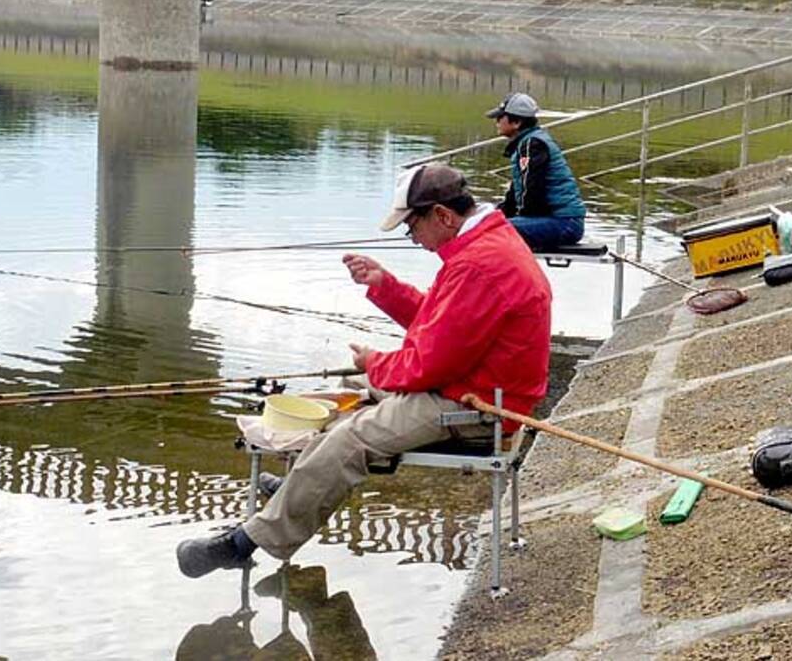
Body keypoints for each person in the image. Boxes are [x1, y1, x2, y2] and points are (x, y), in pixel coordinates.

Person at [176, 163, 552, 578]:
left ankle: (246, 542)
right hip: (471, 384)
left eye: (412, 227)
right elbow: (443, 324)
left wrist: (375, 362)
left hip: (477, 408)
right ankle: (299, 488)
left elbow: (427, 364)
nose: (414, 239)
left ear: (442, 215)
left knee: (350, 437)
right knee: (350, 389)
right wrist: (385, 286)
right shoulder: (484, 243)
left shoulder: (478, 264)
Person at [487, 92, 587, 251]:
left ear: (517, 122)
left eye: (500, 117)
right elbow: (515, 195)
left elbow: (532, 193)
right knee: (487, 223)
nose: (497, 121)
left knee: (490, 231)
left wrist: (501, 221)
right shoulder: (527, 143)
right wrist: (490, 215)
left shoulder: (532, 144)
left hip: (564, 222)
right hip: (559, 221)